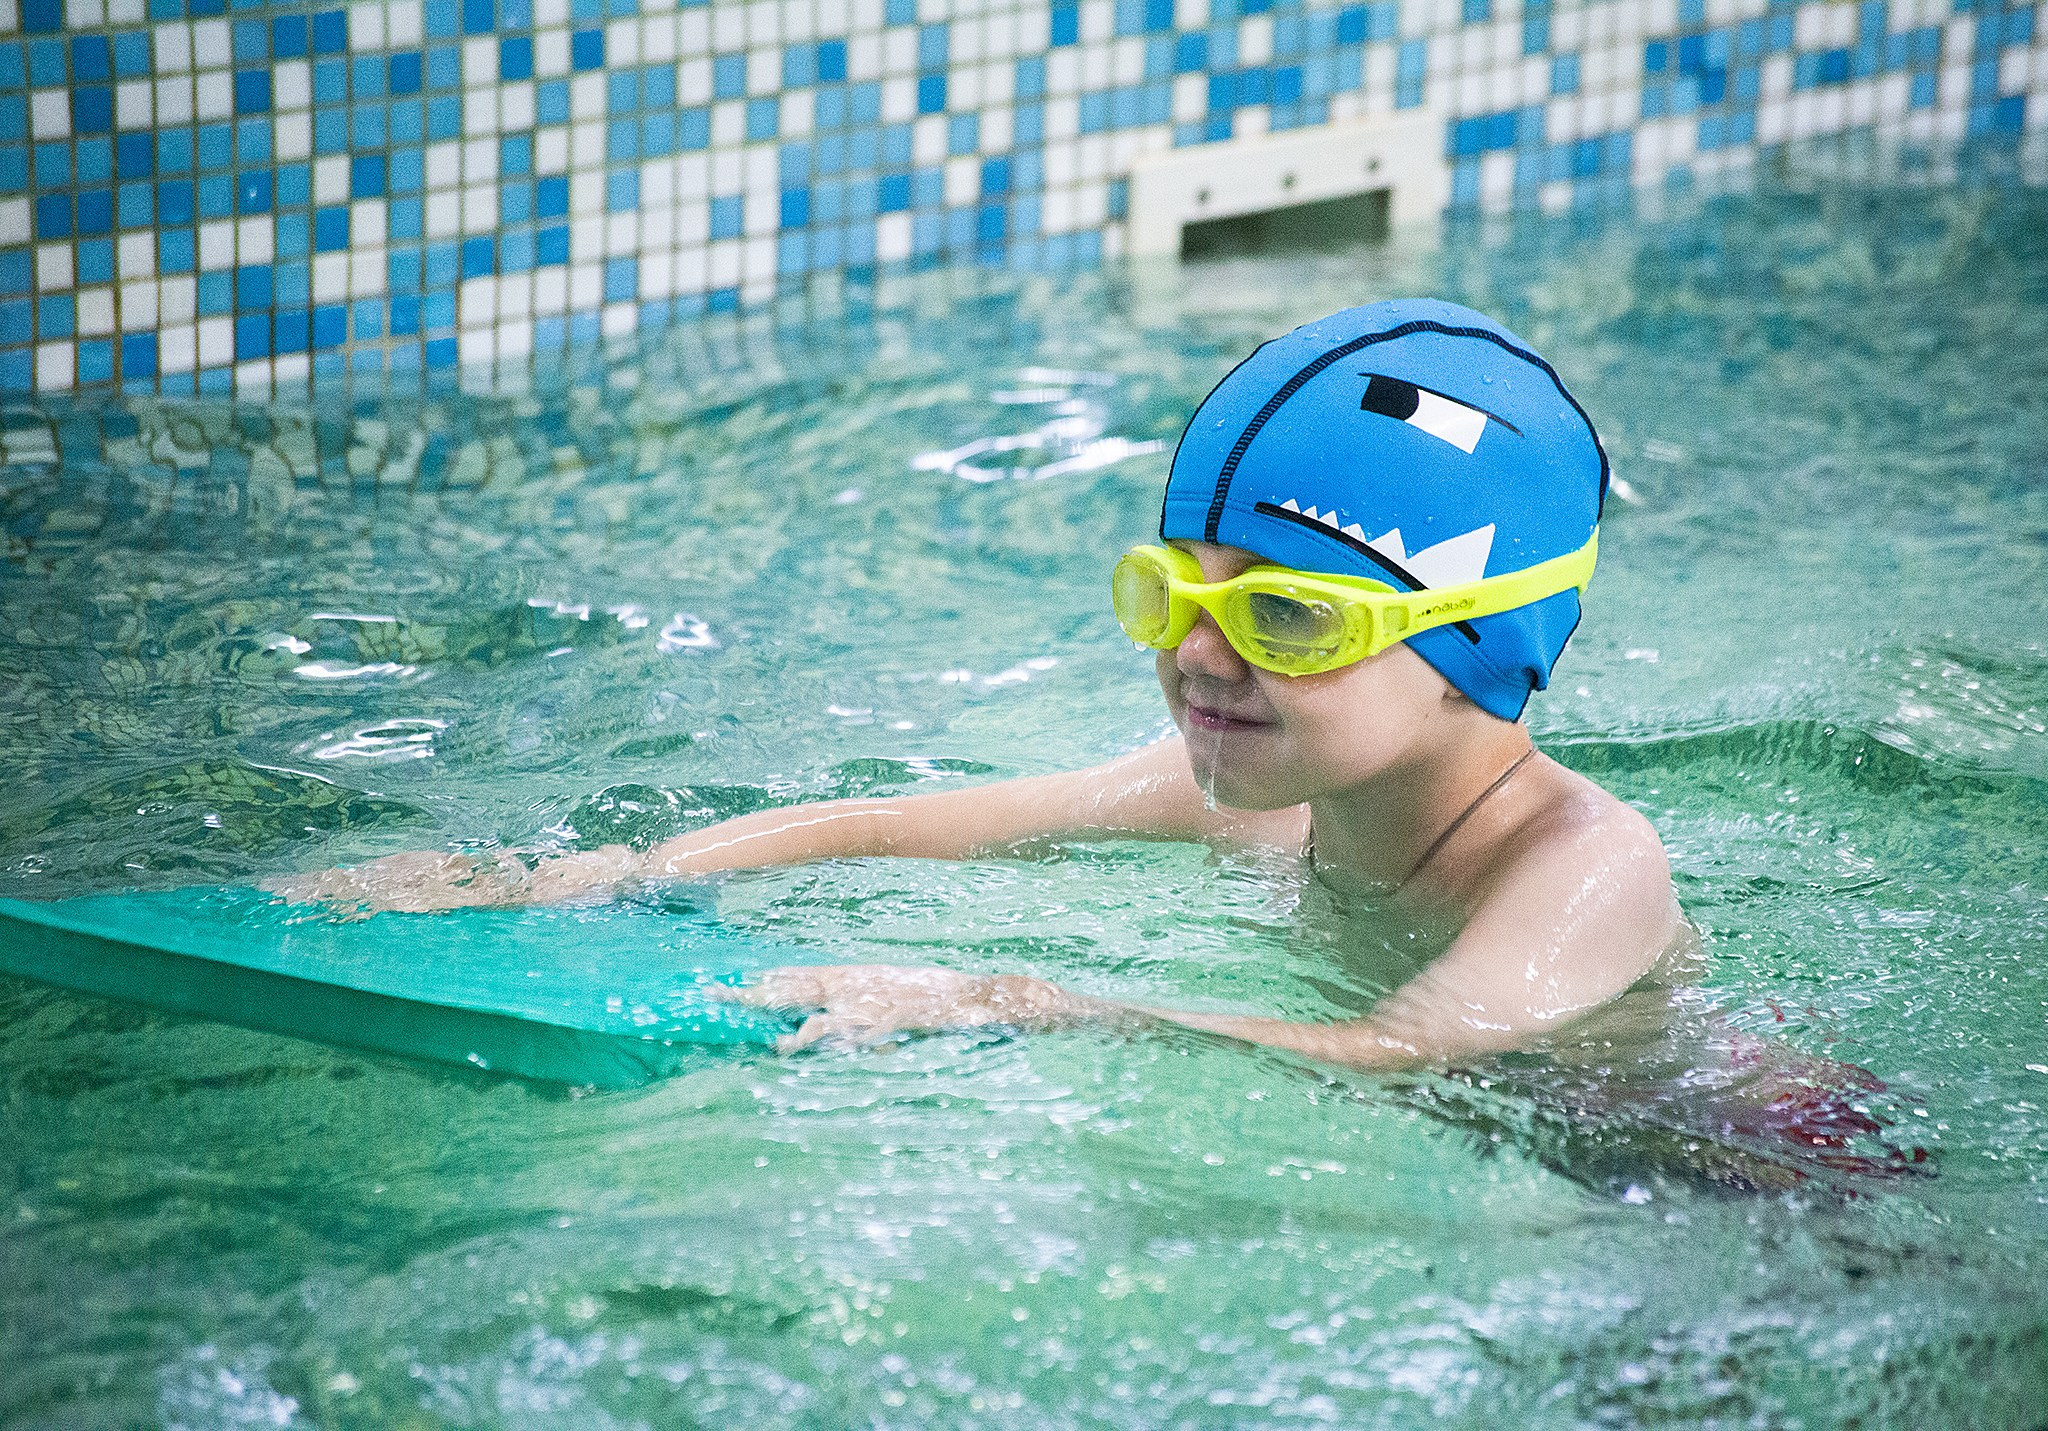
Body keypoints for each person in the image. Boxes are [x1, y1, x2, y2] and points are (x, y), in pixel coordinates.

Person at [273, 298, 1700, 1069]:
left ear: (1479, 650)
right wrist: (598, 873)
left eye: (1288, 618)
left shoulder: (1588, 867)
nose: (1202, 656)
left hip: (1726, 1171)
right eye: (1174, 593)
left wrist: (1012, 998)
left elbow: (1396, 1048)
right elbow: (891, 824)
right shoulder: (1259, 800)